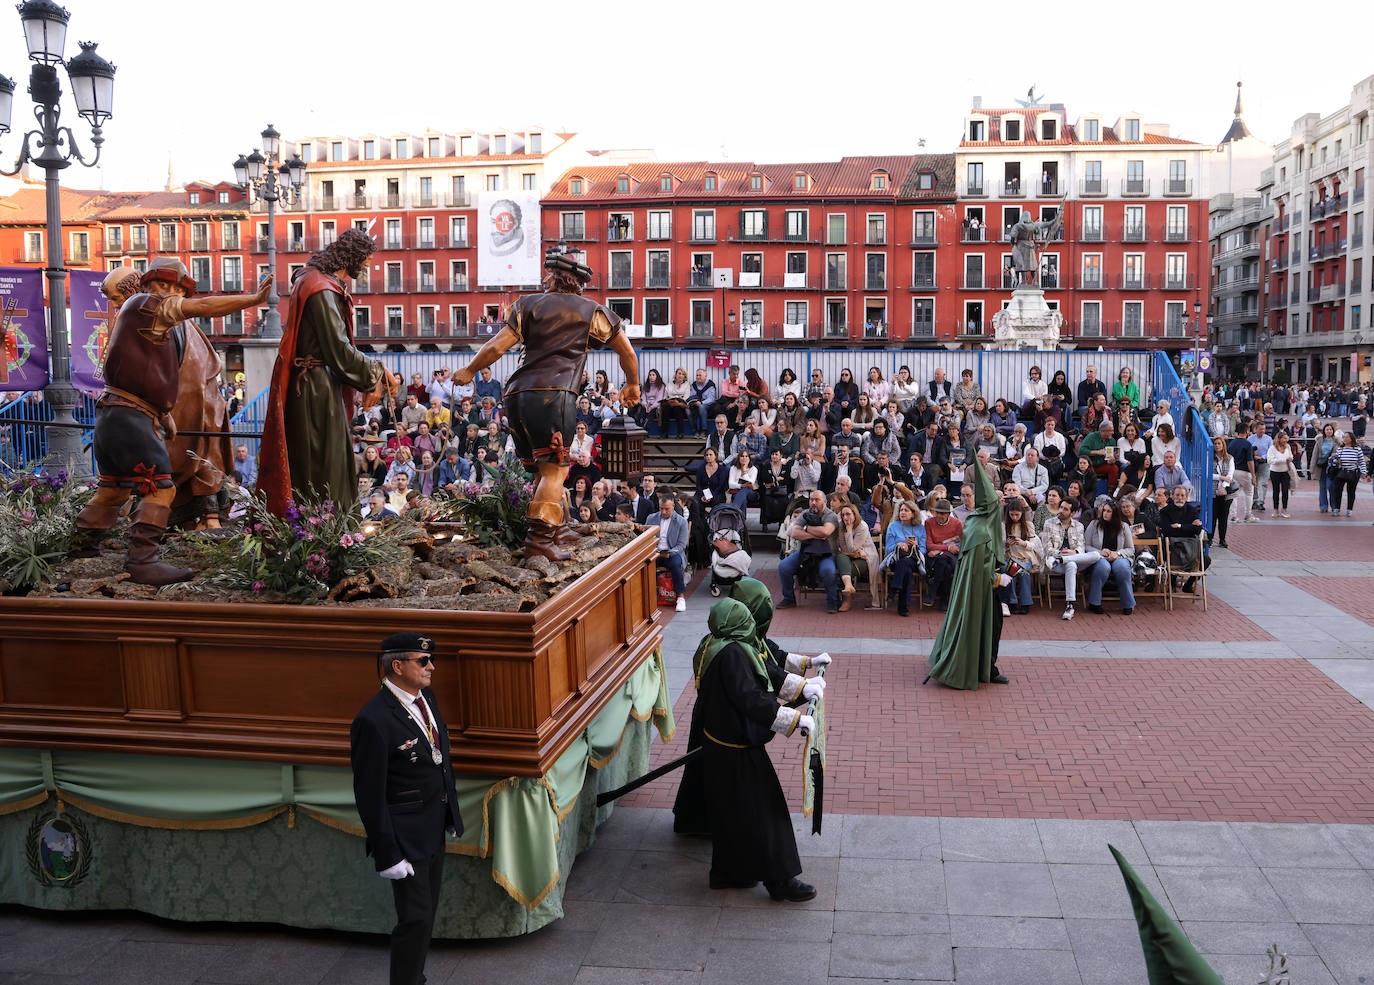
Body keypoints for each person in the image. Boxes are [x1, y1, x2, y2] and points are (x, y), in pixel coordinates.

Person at [72, 261, 272, 584]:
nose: (176, 296)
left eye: (180, 291)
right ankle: (142, 561)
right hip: (132, 420)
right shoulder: (149, 306)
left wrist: (164, 414)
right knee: (161, 488)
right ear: (154, 285)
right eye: (170, 288)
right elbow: (205, 306)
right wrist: (251, 300)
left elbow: (138, 374)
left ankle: (81, 546)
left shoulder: (133, 315)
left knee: (113, 488)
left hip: (112, 416)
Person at [452, 244, 640, 561]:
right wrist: (633, 383)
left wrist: (470, 370)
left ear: (553, 279)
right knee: (555, 472)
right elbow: (627, 353)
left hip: (516, 397)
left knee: (542, 471)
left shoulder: (527, 306)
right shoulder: (591, 311)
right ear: (577, 284)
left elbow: (497, 347)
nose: (543, 280)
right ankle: (540, 540)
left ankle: (558, 527)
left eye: (546, 276)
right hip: (555, 396)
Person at [680, 599, 818, 902]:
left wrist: (802, 688)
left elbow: (764, 670)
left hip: (720, 747)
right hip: (736, 750)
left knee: (731, 812)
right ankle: (780, 880)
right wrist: (794, 720)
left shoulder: (714, 644)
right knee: (766, 813)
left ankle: (729, 872)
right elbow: (751, 699)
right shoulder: (733, 654)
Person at [349, 633, 462, 985]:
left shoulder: (424, 698)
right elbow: (369, 793)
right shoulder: (373, 719)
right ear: (397, 666)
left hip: (432, 826)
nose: (432, 666)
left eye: (431, 659)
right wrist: (388, 854)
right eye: (422, 660)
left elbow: (438, 760)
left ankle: (415, 978)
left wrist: (450, 814)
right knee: (414, 919)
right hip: (405, 837)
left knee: (424, 916)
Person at [259, 230, 398, 516]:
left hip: (318, 384)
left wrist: (373, 372)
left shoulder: (316, 281)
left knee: (328, 460)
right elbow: (338, 349)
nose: (368, 267)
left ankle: (327, 529)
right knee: (327, 463)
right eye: (367, 261)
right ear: (353, 257)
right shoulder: (321, 288)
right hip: (315, 389)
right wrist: (377, 371)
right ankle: (327, 533)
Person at [926, 457, 1010, 688]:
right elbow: (977, 564)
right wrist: (997, 577)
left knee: (992, 626)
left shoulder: (979, 522)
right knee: (986, 626)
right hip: (979, 588)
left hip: (985, 587)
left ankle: (986, 666)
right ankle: (980, 668)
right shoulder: (978, 526)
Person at [776, 489, 839, 613]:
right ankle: (789, 598)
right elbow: (794, 532)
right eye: (811, 500)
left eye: (817, 500)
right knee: (783, 567)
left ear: (825, 501)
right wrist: (817, 534)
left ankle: (832, 601)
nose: (813, 502)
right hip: (805, 552)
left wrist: (806, 529)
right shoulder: (805, 513)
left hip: (826, 554)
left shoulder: (830, 515)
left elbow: (826, 532)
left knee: (828, 571)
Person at [1038, 496, 1100, 621]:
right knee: (1071, 565)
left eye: (1065, 509)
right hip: (1054, 561)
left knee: (1096, 555)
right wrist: (1061, 553)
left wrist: (1073, 552)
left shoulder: (1079, 526)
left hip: (1072, 558)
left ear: (1072, 513)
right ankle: (1070, 605)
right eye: (1061, 507)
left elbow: (1081, 548)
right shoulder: (1049, 523)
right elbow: (1047, 549)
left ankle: (1062, 559)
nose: (1061, 510)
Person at [1083, 500, 1135, 615]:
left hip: (1119, 557)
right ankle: (1094, 603)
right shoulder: (1094, 524)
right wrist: (1100, 552)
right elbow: (1086, 545)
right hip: (1099, 557)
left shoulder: (1124, 527)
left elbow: (1131, 549)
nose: (1105, 513)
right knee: (1103, 567)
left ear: (1115, 513)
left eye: (1108, 511)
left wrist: (1118, 553)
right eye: (1104, 510)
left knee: (1122, 568)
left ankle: (1128, 604)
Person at [884, 499, 926, 616]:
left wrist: (916, 546)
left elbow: (923, 550)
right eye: (901, 510)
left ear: (913, 513)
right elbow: (888, 548)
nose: (902, 512)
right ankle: (903, 606)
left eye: (906, 510)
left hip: (914, 560)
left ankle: (894, 589)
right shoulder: (892, 526)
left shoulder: (920, 528)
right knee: (905, 568)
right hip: (896, 559)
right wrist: (899, 544)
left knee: (906, 563)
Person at [649, 492, 690, 612]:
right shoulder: (651, 518)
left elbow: (682, 545)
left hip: (673, 553)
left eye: (666, 509)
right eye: (661, 508)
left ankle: (680, 597)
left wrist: (669, 553)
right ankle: (646, 595)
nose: (663, 512)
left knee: (675, 565)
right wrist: (655, 551)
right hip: (654, 552)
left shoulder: (681, 521)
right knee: (644, 566)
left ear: (673, 506)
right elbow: (647, 539)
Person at [922, 498, 962, 609]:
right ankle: (944, 600)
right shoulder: (929, 522)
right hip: (934, 557)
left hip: (951, 556)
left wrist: (941, 550)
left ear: (949, 514)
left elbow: (961, 544)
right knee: (945, 565)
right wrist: (947, 548)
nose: (940, 516)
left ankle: (933, 592)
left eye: (943, 513)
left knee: (943, 561)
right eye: (938, 513)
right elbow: (928, 544)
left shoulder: (957, 523)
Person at [1326, 431, 1368, 516]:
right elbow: (1336, 460)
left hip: (1353, 472)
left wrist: (1363, 472)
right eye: (1344, 437)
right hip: (1341, 472)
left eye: (1347, 437)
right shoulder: (1340, 448)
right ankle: (1337, 508)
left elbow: (1361, 461)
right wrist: (1337, 461)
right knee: (1338, 491)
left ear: (1351, 439)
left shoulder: (1357, 449)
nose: (1345, 439)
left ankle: (1349, 509)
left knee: (1351, 492)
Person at [1210, 436, 1238, 548]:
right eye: (1215, 443)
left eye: (1219, 444)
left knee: (1223, 517)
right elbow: (1208, 474)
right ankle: (1210, 538)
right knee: (1213, 516)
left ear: (1223, 445)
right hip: (1213, 491)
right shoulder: (1209, 457)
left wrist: (1224, 487)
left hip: (1226, 492)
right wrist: (1221, 477)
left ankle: (1222, 539)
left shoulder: (1229, 458)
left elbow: (1230, 475)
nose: (1217, 445)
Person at [1267, 430, 1296, 517]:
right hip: (1275, 472)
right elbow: (1270, 460)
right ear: (1279, 439)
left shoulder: (1288, 447)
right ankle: (1276, 510)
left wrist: (1291, 458)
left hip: (1286, 472)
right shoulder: (1272, 448)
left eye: (1286, 438)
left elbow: (1291, 456)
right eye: (1284, 438)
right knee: (1276, 491)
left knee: (1285, 491)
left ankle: (1284, 509)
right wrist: (1283, 460)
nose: (1286, 440)